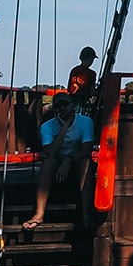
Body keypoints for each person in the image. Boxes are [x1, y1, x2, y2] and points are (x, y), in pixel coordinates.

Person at [24, 93, 94, 229]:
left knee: (87, 163)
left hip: (76, 162)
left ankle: (87, 214)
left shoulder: (85, 121)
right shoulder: (47, 127)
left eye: (65, 105)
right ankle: (39, 214)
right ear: (54, 110)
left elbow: (87, 149)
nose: (62, 108)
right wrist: (63, 129)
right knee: (48, 163)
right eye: (58, 106)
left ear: (72, 106)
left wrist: (69, 160)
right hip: (56, 163)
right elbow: (50, 153)